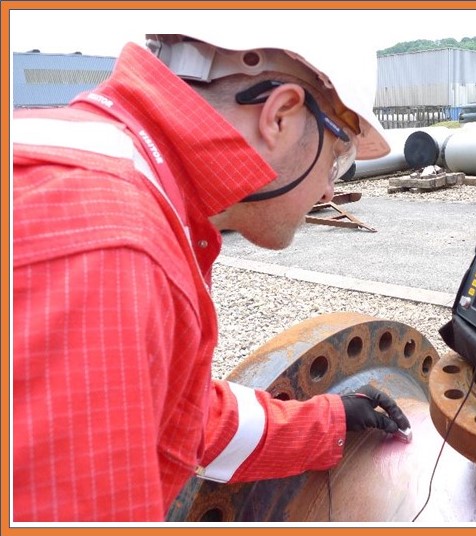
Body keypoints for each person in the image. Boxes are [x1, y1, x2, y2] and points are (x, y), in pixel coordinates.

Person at [12, 32, 409, 521]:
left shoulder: (89, 162)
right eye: (337, 158)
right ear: (280, 116)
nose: (329, 190)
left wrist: (329, 422)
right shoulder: (111, 246)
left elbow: (176, 420)